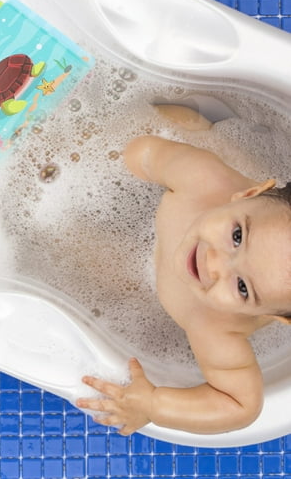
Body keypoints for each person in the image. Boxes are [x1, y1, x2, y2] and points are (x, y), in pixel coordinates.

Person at [76, 107, 291, 436]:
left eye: (243, 288)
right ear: (249, 194)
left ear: (273, 316)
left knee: (97, 266)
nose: (215, 264)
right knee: (182, 126)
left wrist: (153, 406)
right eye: (237, 236)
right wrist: (100, 149)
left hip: (143, 278)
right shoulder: (204, 180)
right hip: (207, 175)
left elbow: (240, 406)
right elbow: (145, 151)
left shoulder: (219, 328)